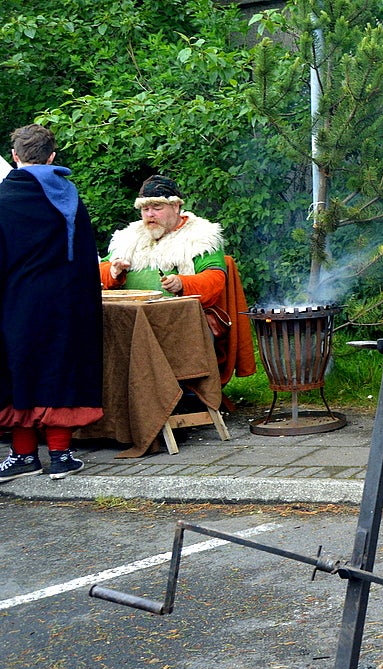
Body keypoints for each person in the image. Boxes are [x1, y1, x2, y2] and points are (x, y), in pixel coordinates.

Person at [0, 124, 103, 481]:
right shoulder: (71, 199)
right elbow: (87, 259)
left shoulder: (3, 199)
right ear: (52, 157)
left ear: (15, 157)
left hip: (16, 303)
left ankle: (23, 456)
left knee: (17, 372)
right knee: (60, 370)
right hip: (65, 304)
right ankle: (60, 455)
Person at [100, 174, 253, 385]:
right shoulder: (130, 237)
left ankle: (170, 396)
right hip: (132, 321)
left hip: (180, 322)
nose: (150, 215)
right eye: (145, 209)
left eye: (157, 207)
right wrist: (114, 272)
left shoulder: (201, 237)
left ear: (176, 207)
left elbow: (215, 279)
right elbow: (100, 271)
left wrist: (183, 283)